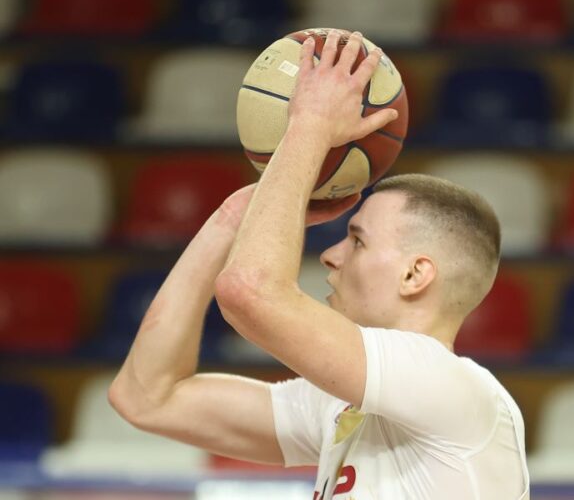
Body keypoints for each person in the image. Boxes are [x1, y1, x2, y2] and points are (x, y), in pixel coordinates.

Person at [108, 31, 530, 499]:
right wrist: (232, 218)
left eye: (357, 240)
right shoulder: (344, 405)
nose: (330, 254)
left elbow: (249, 291)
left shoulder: (448, 387)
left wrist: (310, 124)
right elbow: (147, 398)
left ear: (415, 275)